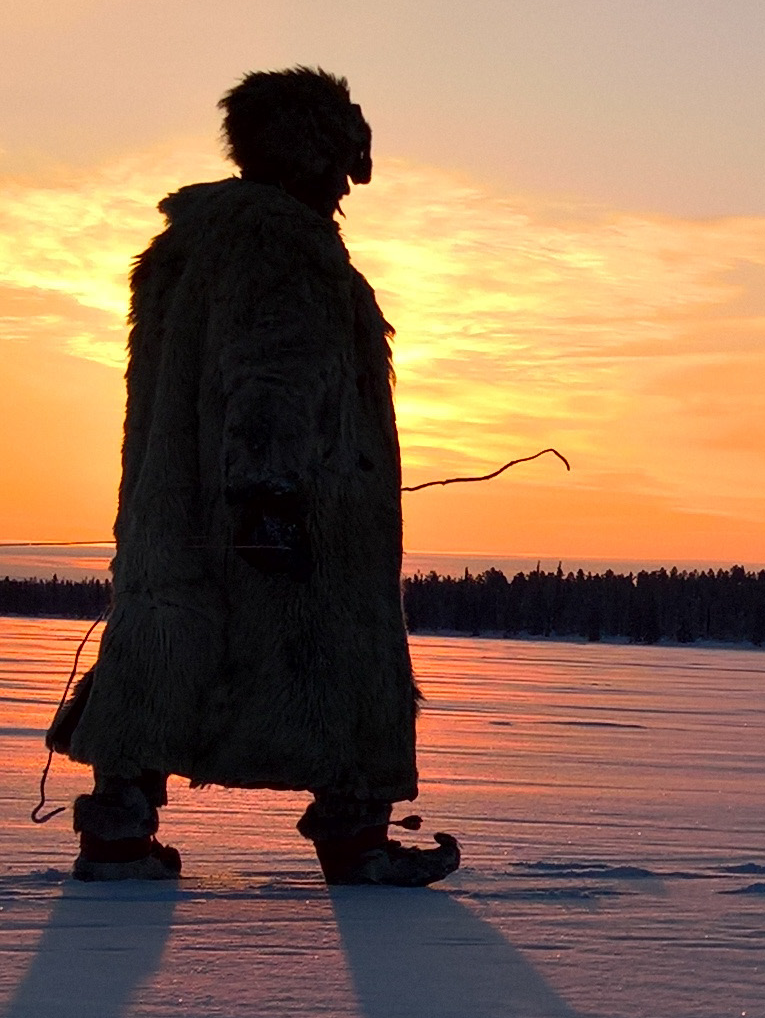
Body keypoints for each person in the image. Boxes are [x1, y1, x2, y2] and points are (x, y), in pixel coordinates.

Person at [45, 67, 461, 886]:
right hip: (290, 508)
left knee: (163, 652)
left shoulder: (185, 247)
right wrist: (270, 493)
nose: (347, 182)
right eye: (343, 158)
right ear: (320, 155)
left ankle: (118, 837)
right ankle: (356, 840)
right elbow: (272, 368)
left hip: (176, 505)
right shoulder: (286, 239)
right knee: (343, 660)